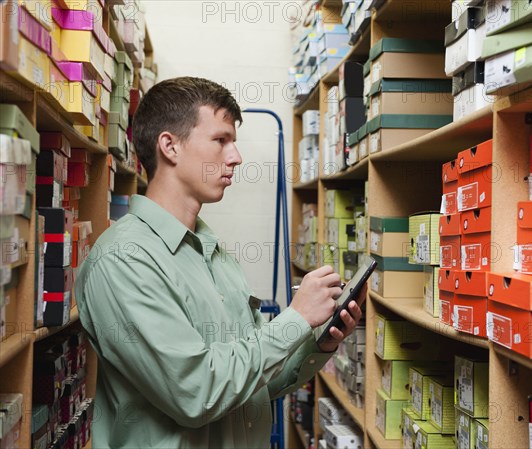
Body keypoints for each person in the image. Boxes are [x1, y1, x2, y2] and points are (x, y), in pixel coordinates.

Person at [75, 77, 366, 448]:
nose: (236, 157)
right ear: (170, 146)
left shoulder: (214, 254)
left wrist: (318, 344)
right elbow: (196, 393)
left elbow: (254, 382)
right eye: (220, 140)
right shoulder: (122, 261)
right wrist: (296, 319)